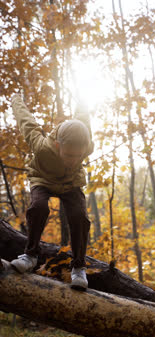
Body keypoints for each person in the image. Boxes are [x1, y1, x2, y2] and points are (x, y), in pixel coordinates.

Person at [10, 94, 94, 290]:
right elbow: (26, 121)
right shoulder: (42, 148)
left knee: (79, 216)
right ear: (58, 146)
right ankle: (30, 255)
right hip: (43, 179)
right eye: (68, 155)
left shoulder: (86, 144)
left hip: (70, 183)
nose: (73, 160)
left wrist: (82, 95)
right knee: (38, 206)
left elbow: (83, 115)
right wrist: (16, 100)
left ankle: (79, 267)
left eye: (78, 156)